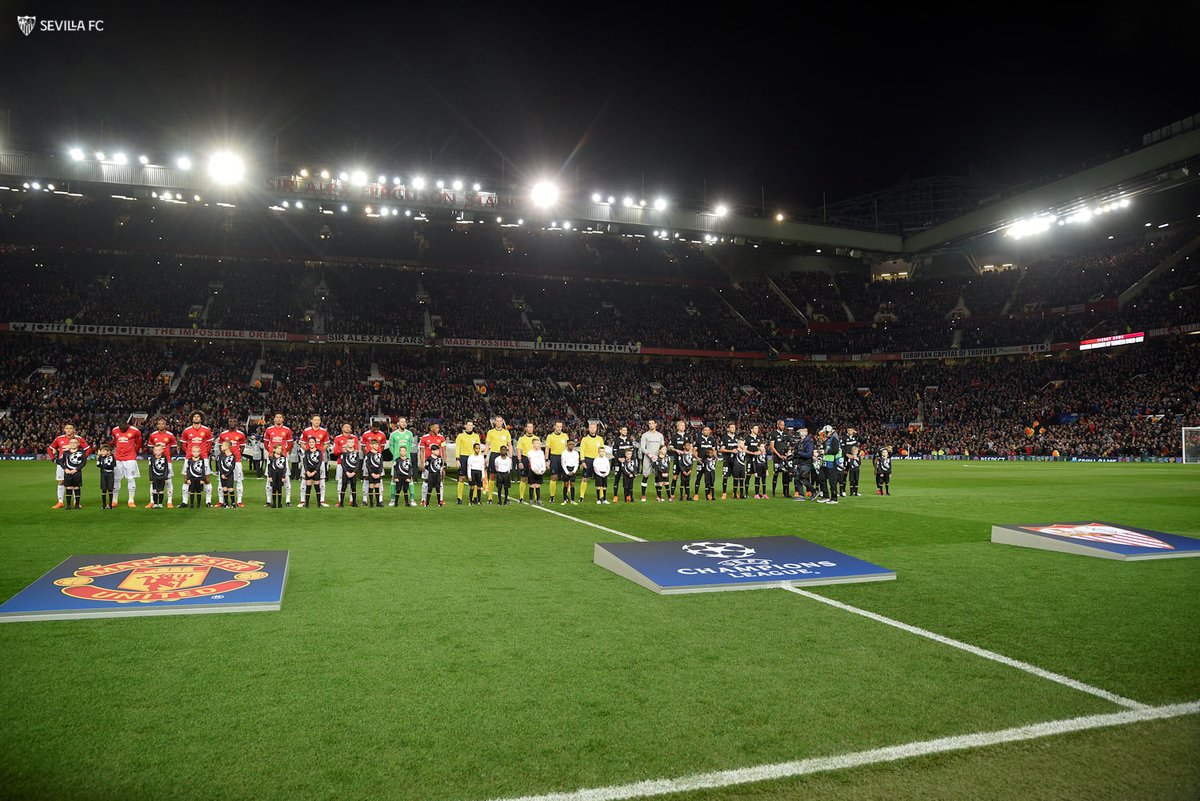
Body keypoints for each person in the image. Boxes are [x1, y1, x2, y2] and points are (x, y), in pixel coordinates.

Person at [48, 423, 91, 509]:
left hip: (74, 465)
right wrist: (53, 459)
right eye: (67, 428)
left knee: (75, 484)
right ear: (64, 429)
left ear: (73, 430)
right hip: (62, 464)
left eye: (70, 428)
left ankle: (76, 502)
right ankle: (60, 502)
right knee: (61, 482)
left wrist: (81, 459)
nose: (68, 430)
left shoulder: (78, 439)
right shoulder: (59, 439)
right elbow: (50, 449)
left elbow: (88, 449)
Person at [180, 411, 214, 507]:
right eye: (194, 416)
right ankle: (184, 502)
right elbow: (183, 444)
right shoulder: (187, 430)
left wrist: (205, 453)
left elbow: (210, 443)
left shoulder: (206, 430)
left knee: (207, 479)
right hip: (189, 458)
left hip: (203, 458)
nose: (196, 418)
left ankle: (208, 502)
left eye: (198, 416)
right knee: (186, 479)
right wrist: (189, 452)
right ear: (191, 418)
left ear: (201, 418)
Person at [146, 417, 179, 508]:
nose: (161, 425)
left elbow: (174, 447)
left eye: (163, 424)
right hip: (154, 461)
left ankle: (169, 501)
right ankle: (152, 501)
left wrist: (167, 455)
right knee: (153, 482)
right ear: (157, 425)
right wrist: (155, 454)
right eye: (159, 424)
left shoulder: (170, 435)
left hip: (167, 461)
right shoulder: (153, 435)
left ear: (166, 425)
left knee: (168, 481)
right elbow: (149, 446)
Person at [263, 413, 295, 507]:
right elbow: (265, 443)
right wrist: (271, 452)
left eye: (280, 417)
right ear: (274, 419)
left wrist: (284, 453)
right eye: (276, 417)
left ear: (283, 419)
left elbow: (290, 444)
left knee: (286, 479)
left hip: (283, 458)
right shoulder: (269, 430)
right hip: (271, 458)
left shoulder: (287, 430)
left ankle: (288, 501)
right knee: (269, 479)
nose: (278, 419)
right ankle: (269, 501)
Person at [299, 415, 331, 507]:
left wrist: (320, 452)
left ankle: (321, 500)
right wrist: (308, 452)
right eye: (315, 420)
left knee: (321, 479)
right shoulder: (306, 431)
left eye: (318, 420)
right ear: (311, 420)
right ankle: (302, 500)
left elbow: (326, 444)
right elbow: (302, 443)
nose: (317, 421)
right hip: (308, 459)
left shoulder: (324, 431)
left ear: (320, 421)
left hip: (319, 459)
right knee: (304, 479)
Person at [111, 420, 143, 508]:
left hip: (130, 458)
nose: (122, 429)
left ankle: (131, 500)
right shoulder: (114, 430)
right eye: (120, 428)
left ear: (127, 425)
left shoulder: (135, 431)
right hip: (117, 457)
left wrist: (133, 452)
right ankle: (114, 500)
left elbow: (139, 443)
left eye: (124, 427)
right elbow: (115, 441)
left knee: (131, 478)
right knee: (116, 479)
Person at [217, 418, 248, 507]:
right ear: (228, 423)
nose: (232, 423)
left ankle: (239, 501)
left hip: (237, 461)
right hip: (224, 461)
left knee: (238, 481)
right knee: (221, 480)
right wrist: (225, 457)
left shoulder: (241, 434)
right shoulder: (223, 434)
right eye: (230, 421)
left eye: (234, 421)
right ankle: (221, 501)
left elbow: (242, 447)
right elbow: (220, 447)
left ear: (236, 423)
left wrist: (236, 455)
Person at [484, 416, 511, 504]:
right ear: (495, 422)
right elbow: (487, 445)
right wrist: (485, 456)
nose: (499, 423)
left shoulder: (506, 432)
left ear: (502, 422)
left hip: (504, 455)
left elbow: (509, 445)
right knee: (492, 476)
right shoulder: (490, 432)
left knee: (505, 477)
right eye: (497, 421)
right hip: (494, 454)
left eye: (500, 421)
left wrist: (510, 456)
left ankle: (506, 498)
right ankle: (490, 498)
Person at [387, 420, 415, 506]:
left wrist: (406, 454)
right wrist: (396, 454)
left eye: (404, 422)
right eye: (401, 422)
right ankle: (392, 499)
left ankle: (412, 499)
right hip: (396, 459)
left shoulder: (410, 434)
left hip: (407, 460)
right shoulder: (393, 434)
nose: (403, 423)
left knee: (409, 479)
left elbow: (410, 445)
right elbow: (391, 446)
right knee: (394, 478)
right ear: (398, 423)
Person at [418, 423, 447, 504]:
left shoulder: (441, 438)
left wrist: (444, 463)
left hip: (438, 464)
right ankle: (423, 500)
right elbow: (422, 451)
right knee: (426, 481)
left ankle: (441, 500)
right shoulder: (424, 438)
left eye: (438, 427)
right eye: (436, 427)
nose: (438, 429)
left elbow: (444, 450)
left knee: (440, 481)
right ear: (431, 428)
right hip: (428, 464)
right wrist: (422, 463)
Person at [637, 419, 664, 502]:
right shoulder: (645, 435)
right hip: (648, 458)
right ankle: (643, 495)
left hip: (657, 459)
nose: (651, 425)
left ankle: (658, 496)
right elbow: (642, 447)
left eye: (653, 423)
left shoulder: (660, 435)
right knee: (645, 476)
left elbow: (662, 447)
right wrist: (649, 454)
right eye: (650, 423)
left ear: (655, 424)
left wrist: (661, 455)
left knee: (657, 476)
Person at [332, 423, 359, 504]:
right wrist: (344, 449)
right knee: (341, 482)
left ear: (351, 429)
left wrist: (347, 449)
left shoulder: (354, 438)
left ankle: (352, 501)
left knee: (352, 483)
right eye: (345, 427)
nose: (347, 428)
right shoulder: (337, 438)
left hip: (352, 464)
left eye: (348, 427)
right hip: (341, 463)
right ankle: (340, 500)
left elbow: (357, 450)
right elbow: (335, 452)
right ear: (342, 428)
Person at [455, 420, 481, 505]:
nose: (470, 427)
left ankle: (474, 498)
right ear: (465, 426)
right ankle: (459, 498)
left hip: (473, 458)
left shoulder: (476, 436)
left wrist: (480, 459)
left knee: (475, 479)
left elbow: (478, 448)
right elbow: (458, 447)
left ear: (473, 426)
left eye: (471, 425)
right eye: (468, 425)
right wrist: (457, 459)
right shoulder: (460, 436)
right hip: (463, 457)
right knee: (462, 478)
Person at [56, 437, 86, 509]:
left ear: (78, 444)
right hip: (68, 472)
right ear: (69, 444)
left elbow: (83, 463)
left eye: (75, 442)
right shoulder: (66, 453)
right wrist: (65, 469)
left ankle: (77, 505)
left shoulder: (81, 453)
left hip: (77, 472)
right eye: (71, 442)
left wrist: (76, 469)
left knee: (76, 488)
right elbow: (61, 461)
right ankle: (68, 505)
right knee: (69, 488)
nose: (73, 444)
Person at [579, 422, 605, 501]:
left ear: (596, 429)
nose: (592, 429)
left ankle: (601, 496)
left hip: (597, 460)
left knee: (600, 478)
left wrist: (603, 460)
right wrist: (582, 461)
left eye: (594, 427)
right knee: (585, 478)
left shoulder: (600, 439)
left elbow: (602, 450)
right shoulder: (585, 439)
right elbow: (582, 450)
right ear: (589, 429)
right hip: (588, 460)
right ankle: (581, 496)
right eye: (591, 427)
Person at [545, 421, 568, 504]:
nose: (559, 428)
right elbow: (547, 449)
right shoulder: (550, 436)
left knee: (565, 478)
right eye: (557, 426)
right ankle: (552, 496)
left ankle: (565, 496)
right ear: (554, 427)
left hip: (563, 457)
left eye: (560, 426)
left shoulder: (565, 436)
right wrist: (547, 460)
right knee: (553, 477)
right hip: (554, 457)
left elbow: (568, 448)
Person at [818, 425, 842, 505]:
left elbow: (835, 450)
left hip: (832, 463)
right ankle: (826, 496)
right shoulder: (829, 438)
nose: (824, 434)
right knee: (821, 478)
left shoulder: (834, 438)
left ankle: (834, 498)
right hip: (826, 462)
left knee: (832, 481)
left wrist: (825, 452)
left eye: (825, 432)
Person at [691, 425, 716, 501]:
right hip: (700, 462)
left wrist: (716, 457)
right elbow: (694, 451)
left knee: (709, 479)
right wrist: (697, 458)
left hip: (709, 463)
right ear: (702, 431)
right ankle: (696, 494)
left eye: (708, 430)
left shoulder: (712, 439)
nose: (707, 431)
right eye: (705, 430)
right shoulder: (698, 439)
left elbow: (714, 450)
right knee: (698, 478)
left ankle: (708, 494)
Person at [667, 420, 689, 501]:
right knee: (675, 477)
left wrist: (689, 453)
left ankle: (686, 494)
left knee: (686, 478)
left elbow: (691, 446)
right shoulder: (674, 436)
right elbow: (669, 447)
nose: (682, 427)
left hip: (686, 461)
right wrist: (677, 450)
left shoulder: (688, 436)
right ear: (677, 427)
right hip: (677, 460)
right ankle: (672, 494)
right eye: (681, 425)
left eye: (684, 425)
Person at [793, 427, 816, 501]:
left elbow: (809, 454)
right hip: (800, 463)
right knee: (797, 479)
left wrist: (798, 453)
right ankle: (801, 495)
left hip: (806, 463)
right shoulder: (801, 442)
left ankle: (814, 491)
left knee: (802, 478)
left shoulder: (809, 443)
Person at [516, 421, 536, 504]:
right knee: (523, 478)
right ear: (526, 428)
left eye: (531, 427)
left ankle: (535, 497)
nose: (530, 429)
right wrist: (520, 461)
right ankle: (521, 497)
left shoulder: (536, 438)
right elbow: (518, 450)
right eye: (528, 427)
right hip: (525, 458)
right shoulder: (522, 438)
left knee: (534, 479)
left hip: (534, 459)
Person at [300, 436, 324, 508]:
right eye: (310, 442)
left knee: (317, 487)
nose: (311, 443)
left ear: (315, 443)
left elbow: (319, 463)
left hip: (316, 472)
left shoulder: (319, 452)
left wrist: (314, 472)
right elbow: (305, 462)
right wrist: (307, 471)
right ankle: (306, 504)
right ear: (308, 443)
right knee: (308, 487)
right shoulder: (306, 452)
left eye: (313, 442)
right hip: (308, 472)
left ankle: (319, 504)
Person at [769, 419, 790, 498]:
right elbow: (771, 446)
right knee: (776, 474)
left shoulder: (786, 434)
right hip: (777, 457)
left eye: (783, 425)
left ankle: (785, 493)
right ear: (778, 425)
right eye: (781, 425)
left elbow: (788, 445)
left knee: (786, 474)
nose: (783, 426)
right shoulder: (773, 434)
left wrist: (787, 454)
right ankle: (773, 492)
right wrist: (778, 455)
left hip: (785, 457)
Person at [719, 422, 739, 499]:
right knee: (725, 477)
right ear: (728, 428)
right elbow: (721, 449)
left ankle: (735, 493)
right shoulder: (724, 437)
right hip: (727, 460)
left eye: (734, 427)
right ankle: (724, 493)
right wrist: (731, 451)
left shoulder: (737, 437)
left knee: (735, 477)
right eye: (731, 427)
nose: (733, 429)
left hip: (735, 461)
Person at [745, 424, 766, 499]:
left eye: (758, 428)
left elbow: (763, 448)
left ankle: (757, 493)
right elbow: (745, 449)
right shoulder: (748, 438)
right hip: (750, 460)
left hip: (758, 461)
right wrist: (753, 453)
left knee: (758, 477)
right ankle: (746, 493)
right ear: (751, 429)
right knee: (748, 476)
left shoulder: (759, 438)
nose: (757, 430)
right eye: (756, 428)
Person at [216, 441, 238, 509]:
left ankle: (233, 503)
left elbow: (232, 467)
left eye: (222, 445)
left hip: (229, 475)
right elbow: (219, 465)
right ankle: (225, 503)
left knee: (230, 489)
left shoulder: (232, 456)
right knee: (224, 488)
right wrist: (222, 474)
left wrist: (227, 474)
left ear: (227, 447)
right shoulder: (220, 456)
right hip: (222, 474)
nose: (221, 447)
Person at [148, 442, 170, 508]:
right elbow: (150, 469)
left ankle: (160, 503)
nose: (157, 452)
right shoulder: (152, 459)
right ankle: (155, 503)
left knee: (161, 491)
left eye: (159, 450)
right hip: (155, 477)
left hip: (162, 477)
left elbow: (166, 467)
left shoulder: (164, 457)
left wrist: (165, 477)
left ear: (162, 450)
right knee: (154, 490)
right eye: (156, 450)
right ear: (153, 451)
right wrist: (151, 478)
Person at [423, 443, 446, 507]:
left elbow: (441, 467)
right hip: (431, 475)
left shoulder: (440, 458)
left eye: (438, 450)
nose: (438, 452)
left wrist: (441, 475)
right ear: (432, 451)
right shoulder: (429, 458)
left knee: (438, 489)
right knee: (429, 489)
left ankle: (439, 503)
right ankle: (427, 503)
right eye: (436, 450)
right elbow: (426, 468)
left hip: (438, 475)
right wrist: (426, 476)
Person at [185, 444, 207, 509]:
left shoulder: (202, 460)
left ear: (200, 452)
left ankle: (199, 504)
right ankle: (191, 504)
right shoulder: (189, 460)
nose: (195, 453)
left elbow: (203, 470)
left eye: (197, 452)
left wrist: (202, 479)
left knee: (199, 491)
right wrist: (188, 479)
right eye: (194, 452)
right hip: (192, 478)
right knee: (192, 491)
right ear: (192, 452)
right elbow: (188, 470)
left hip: (199, 478)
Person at [840, 427, 861, 498]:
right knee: (844, 474)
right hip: (846, 458)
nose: (850, 431)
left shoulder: (856, 436)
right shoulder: (843, 437)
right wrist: (847, 454)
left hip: (854, 457)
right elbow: (842, 447)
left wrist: (857, 433)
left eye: (851, 430)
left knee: (854, 475)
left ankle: (855, 491)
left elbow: (863, 440)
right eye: (848, 430)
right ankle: (843, 490)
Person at [526, 437, 547, 505]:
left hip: (540, 470)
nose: (539, 445)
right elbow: (531, 462)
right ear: (533, 444)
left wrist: (544, 469)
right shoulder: (530, 452)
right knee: (532, 485)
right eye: (537, 443)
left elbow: (542, 461)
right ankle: (531, 499)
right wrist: (534, 470)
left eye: (539, 443)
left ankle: (538, 500)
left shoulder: (541, 452)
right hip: (532, 470)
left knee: (538, 485)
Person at [266, 444, 288, 508]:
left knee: (280, 489)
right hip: (273, 475)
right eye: (278, 449)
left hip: (280, 475)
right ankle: (274, 503)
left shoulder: (283, 457)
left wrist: (283, 476)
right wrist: (270, 476)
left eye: (280, 449)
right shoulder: (271, 457)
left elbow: (284, 468)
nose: (279, 450)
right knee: (274, 489)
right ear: (274, 449)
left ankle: (279, 503)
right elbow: (269, 467)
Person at [365, 441, 385, 508]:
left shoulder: (380, 454)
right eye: (375, 444)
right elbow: (367, 465)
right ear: (371, 445)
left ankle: (378, 503)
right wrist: (372, 473)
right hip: (371, 473)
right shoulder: (368, 454)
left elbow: (381, 465)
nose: (377, 446)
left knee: (377, 486)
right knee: (371, 486)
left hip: (377, 473)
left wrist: (379, 473)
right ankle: (371, 503)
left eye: (377, 445)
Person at [96, 444, 116, 509]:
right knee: (103, 489)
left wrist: (105, 465)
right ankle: (104, 504)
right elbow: (98, 465)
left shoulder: (112, 456)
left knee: (110, 489)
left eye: (103, 451)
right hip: (103, 474)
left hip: (110, 474)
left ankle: (110, 505)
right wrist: (101, 463)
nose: (102, 453)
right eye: (101, 451)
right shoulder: (100, 457)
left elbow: (114, 464)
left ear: (108, 451)